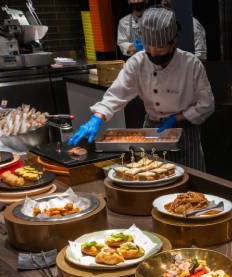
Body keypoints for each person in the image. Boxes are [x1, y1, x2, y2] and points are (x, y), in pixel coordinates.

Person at [69, 8, 215, 170]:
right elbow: (117, 94)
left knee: (191, 180)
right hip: (152, 129)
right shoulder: (137, 62)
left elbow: (206, 104)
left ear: (173, 42)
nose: (153, 54)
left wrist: (178, 117)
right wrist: (97, 118)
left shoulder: (191, 64)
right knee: (150, 175)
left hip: (184, 131)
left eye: (159, 49)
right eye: (148, 48)